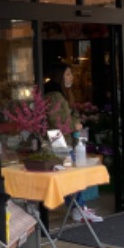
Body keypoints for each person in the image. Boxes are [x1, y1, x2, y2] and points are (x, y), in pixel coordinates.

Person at [44, 64, 103, 223]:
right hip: (57, 138)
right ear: (60, 76)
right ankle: (79, 208)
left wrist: (75, 123)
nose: (71, 77)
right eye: (68, 74)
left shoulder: (64, 93)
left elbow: (74, 114)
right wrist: (73, 125)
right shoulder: (54, 95)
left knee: (71, 175)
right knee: (70, 175)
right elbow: (55, 120)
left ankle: (79, 207)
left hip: (63, 138)